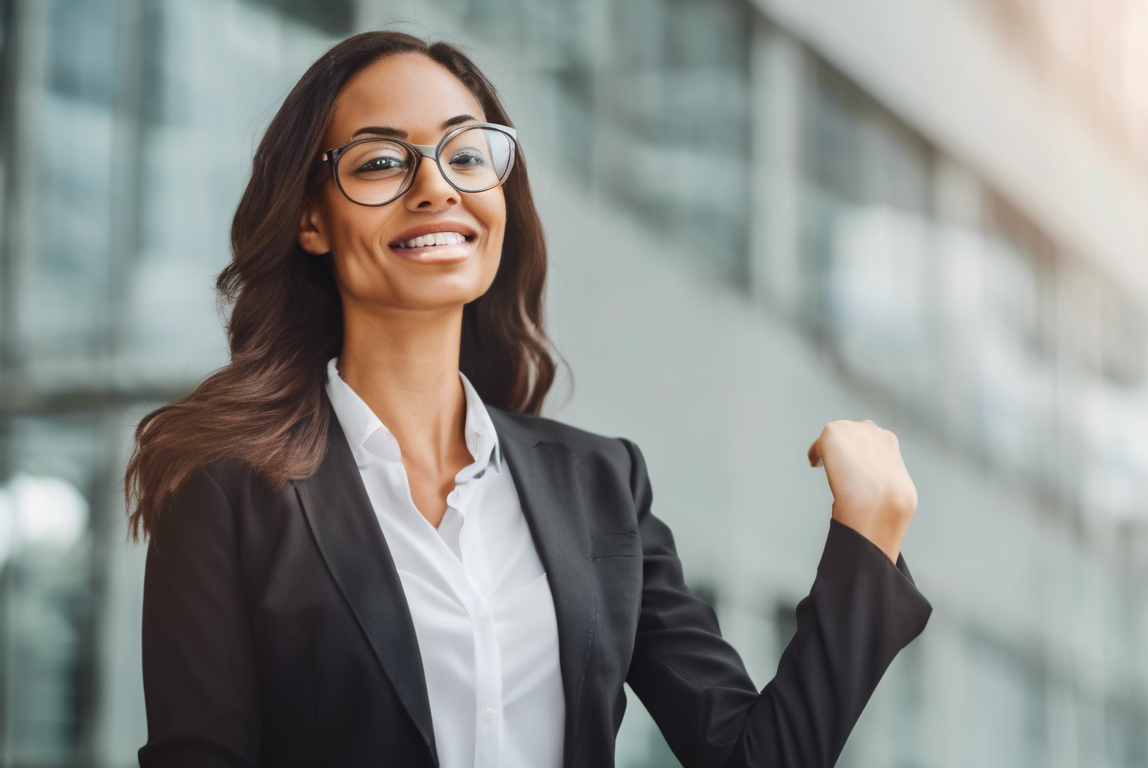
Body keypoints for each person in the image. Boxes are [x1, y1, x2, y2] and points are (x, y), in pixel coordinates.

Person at [125, 30, 932, 768]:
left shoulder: (601, 487)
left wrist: (867, 541)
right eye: (380, 162)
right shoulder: (229, 491)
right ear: (310, 218)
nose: (436, 187)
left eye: (466, 156)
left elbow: (755, 759)